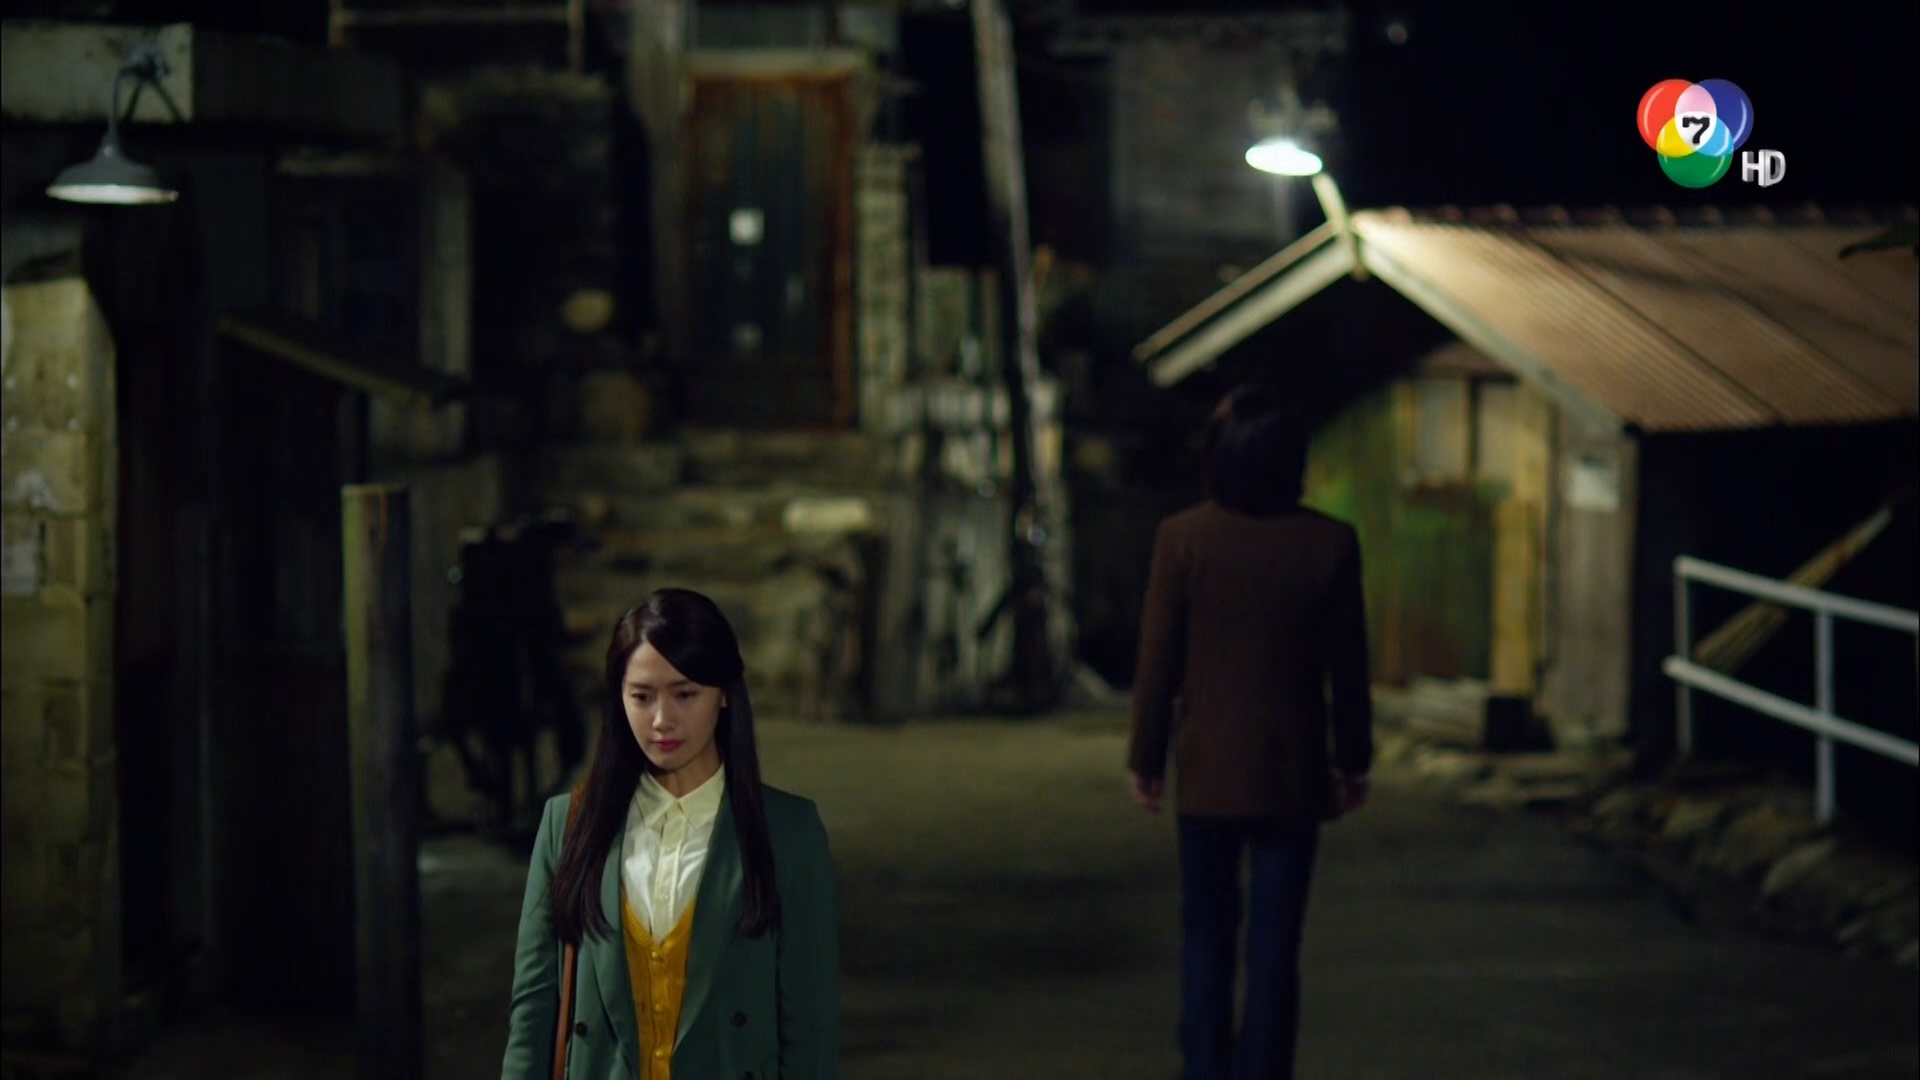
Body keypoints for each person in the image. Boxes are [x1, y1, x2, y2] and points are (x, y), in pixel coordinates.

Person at [1127, 384, 1374, 1080]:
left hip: (1207, 778)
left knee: (1206, 939)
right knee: (1274, 950)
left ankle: (1206, 1070)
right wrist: (1354, 762)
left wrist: (1147, 758)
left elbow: (1157, 664)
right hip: (1294, 778)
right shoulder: (1330, 544)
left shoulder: (1183, 539)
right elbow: (1349, 669)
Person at [503, 588, 840, 1080]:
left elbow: (809, 1028)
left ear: (724, 693)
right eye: (641, 696)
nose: (662, 720)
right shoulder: (568, 824)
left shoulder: (789, 833)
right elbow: (533, 1011)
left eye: (685, 694)